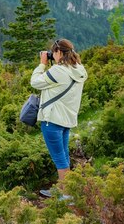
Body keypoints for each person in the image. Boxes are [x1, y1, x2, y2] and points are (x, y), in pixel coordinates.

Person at [30, 38, 88, 199]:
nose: (51, 55)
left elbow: (35, 82)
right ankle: (64, 188)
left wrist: (42, 64)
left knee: (59, 158)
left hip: (52, 120)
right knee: (63, 155)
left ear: (59, 52)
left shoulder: (58, 71)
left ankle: (66, 195)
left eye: (53, 52)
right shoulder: (79, 69)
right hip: (66, 120)